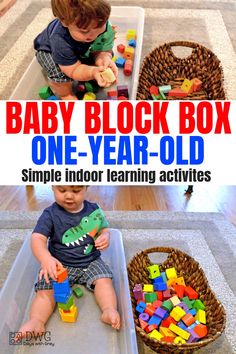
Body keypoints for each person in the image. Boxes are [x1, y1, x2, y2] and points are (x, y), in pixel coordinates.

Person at [18, 185, 120, 339]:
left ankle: (109, 310)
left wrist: (105, 236)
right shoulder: (50, 214)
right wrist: (46, 259)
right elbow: (37, 238)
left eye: (76, 191)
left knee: (104, 281)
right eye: (62, 190)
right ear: (53, 187)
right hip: (59, 264)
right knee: (45, 290)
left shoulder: (94, 210)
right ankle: (37, 320)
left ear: (86, 187)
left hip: (91, 260)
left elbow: (104, 229)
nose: (69, 196)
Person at [34, 0, 118, 99]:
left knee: (100, 56)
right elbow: (73, 70)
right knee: (59, 73)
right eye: (85, 31)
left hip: (80, 48)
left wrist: (104, 58)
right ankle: (66, 94)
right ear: (64, 22)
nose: (94, 35)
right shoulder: (60, 41)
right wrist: (92, 72)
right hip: (49, 51)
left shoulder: (100, 22)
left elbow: (103, 48)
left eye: (99, 27)